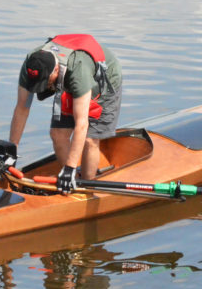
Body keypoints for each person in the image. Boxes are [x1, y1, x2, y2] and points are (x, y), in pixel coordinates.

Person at [9, 34, 123, 194]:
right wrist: (11, 152)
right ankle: (72, 181)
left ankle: (87, 187)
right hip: (68, 80)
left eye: (45, 83)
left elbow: (82, 124)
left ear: (56, 70)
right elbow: (22, 108)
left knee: (90, 140)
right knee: (57, 134)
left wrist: (69, 167)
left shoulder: (78, 71)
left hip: (103, 81)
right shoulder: (31, 64)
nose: (41, 89)